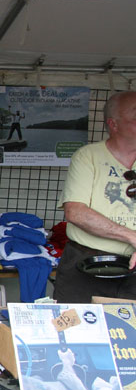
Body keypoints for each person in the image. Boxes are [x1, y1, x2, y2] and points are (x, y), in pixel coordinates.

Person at [54, 91, 136, 302]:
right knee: (76, 330)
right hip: (87, 263)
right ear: (114, 124)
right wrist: (131, 236)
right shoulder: (88, 156)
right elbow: (75, 212)